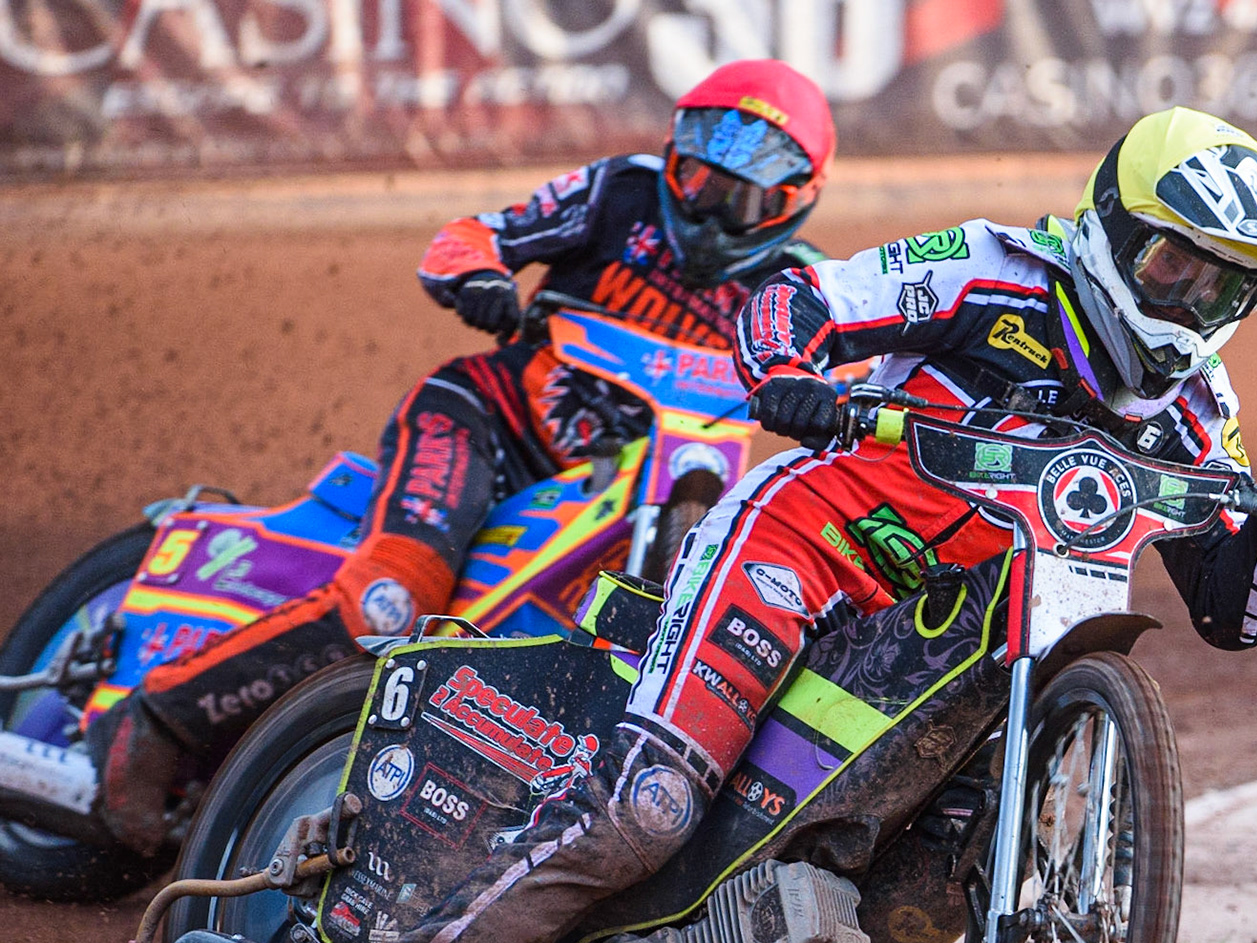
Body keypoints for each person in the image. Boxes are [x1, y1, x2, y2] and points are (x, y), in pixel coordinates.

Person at [334, 108, 1257, 943]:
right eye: (1177, 264)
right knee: (653, 801)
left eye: (1227, 283)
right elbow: (798, 302)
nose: (1195, 298)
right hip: (808, 546)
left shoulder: (1196, 408)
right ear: (1115, 226)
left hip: (958, 638)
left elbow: (1231, 613)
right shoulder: (994, 269)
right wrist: (787, 377)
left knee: (980, 832)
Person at [87, 60, 837, 864]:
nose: (711, 210)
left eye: (744, 196)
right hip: (485, 423)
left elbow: (850, 378)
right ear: (671, 153)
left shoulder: (797, 284)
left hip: (625, 494)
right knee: (388, 604)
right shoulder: (619, 191)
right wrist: (478, 276)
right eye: (697, 178)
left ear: (794, 200)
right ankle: (157, 717)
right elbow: (474, 234)